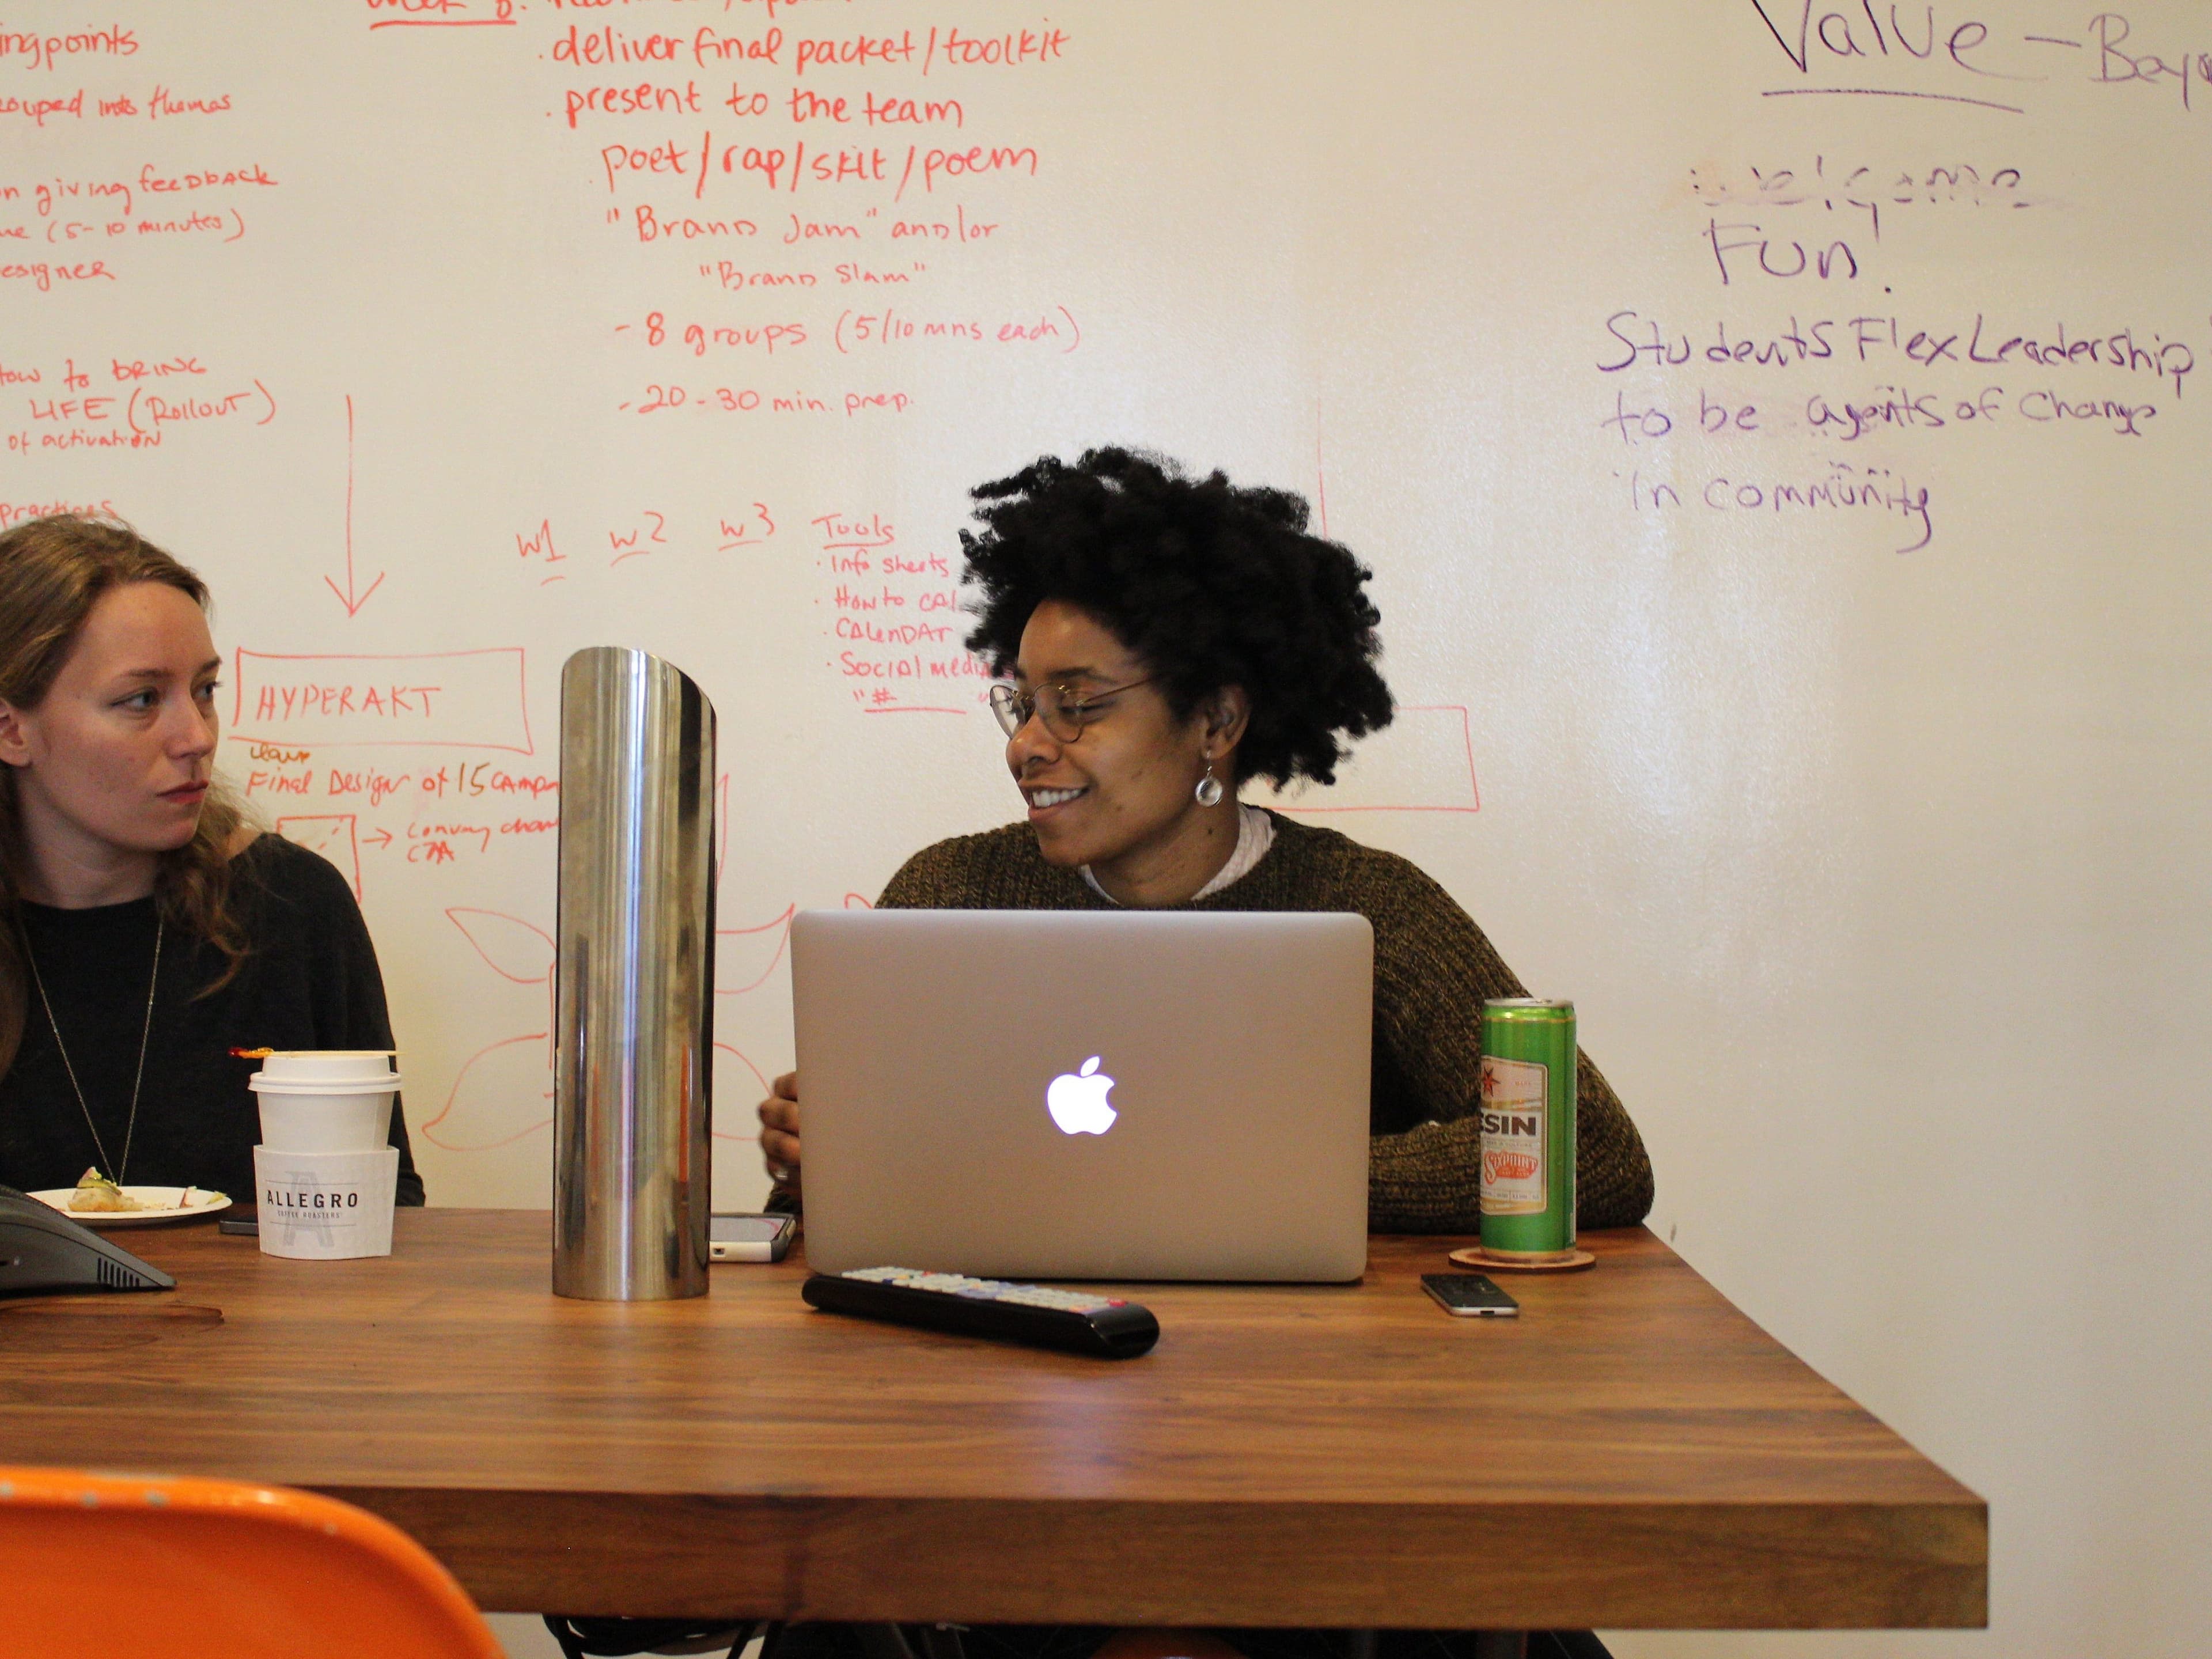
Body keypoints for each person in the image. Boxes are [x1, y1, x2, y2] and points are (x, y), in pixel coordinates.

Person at [759, 446, 1652, 1235]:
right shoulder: (952, 894)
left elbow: (1593, 1156)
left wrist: (1241, 1182)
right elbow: (847, 1203)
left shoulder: (1366, 909)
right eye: (1025, 703)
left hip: (1294, 1375)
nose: (1027, 745)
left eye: (1078, 703)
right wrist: (817, 1164)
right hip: (1009, 1365)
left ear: (1217, 722)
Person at [0, 513, 423, 1205]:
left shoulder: (290, 906)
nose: (196, 736)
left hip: (260, 1317)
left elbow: (387, 1197)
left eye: (204, 690)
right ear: (11, 729)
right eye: (141, 700)